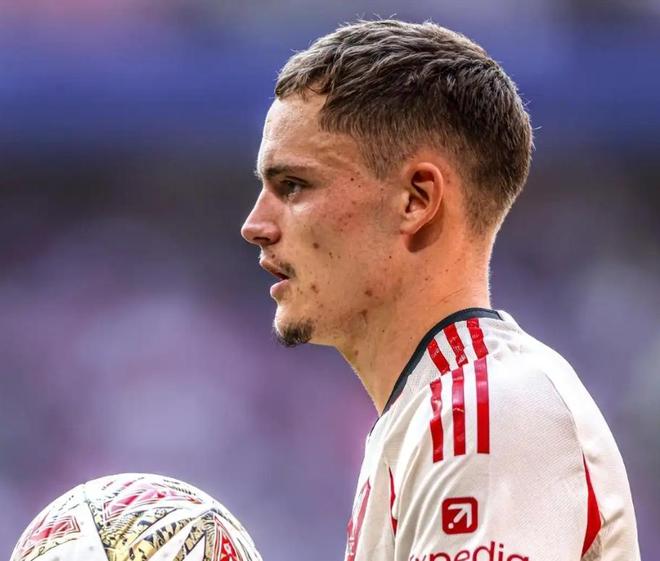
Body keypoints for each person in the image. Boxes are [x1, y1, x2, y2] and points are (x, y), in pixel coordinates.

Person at [241, 19, 640, 561]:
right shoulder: (432, 413)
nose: (255, 225)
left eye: (293, 185)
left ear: (416, 199)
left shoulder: (487, 411)